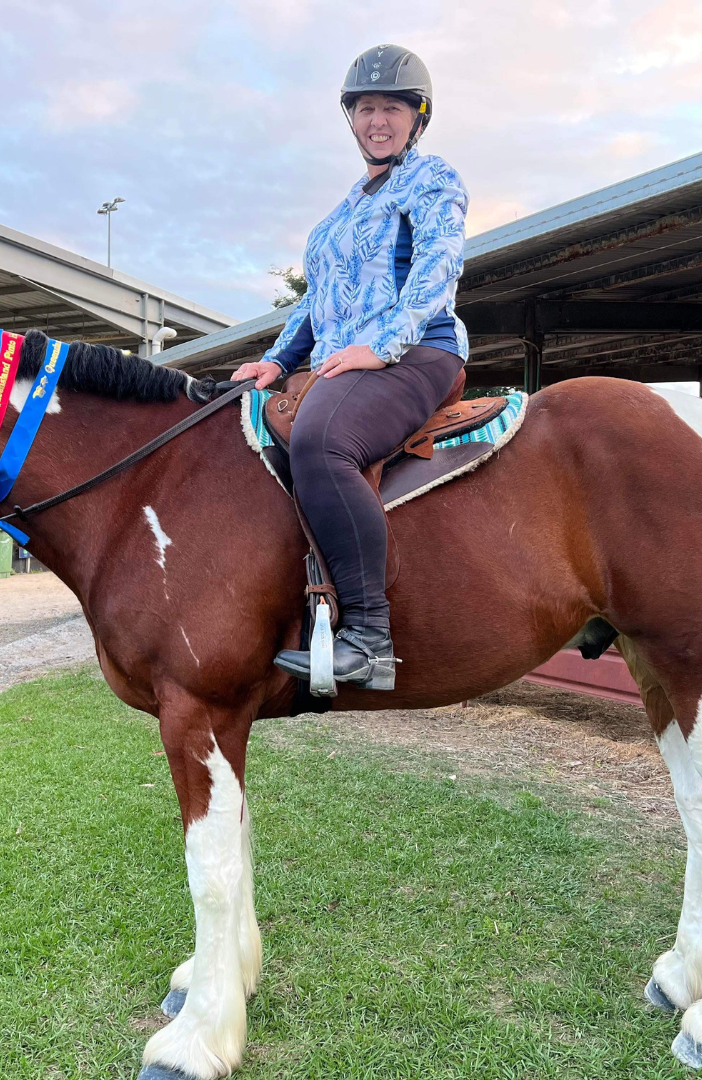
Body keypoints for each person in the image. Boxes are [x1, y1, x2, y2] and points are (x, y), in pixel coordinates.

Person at [233, 44, 469, 691]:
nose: (378, 120)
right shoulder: (337, 217)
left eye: (392, 107)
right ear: (352, 119)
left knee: (321, 440)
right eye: (366, 108)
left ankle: (367, 636)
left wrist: (386, 344)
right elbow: (316, 302)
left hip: (419, 352)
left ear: (417, 117)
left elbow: (437, 268)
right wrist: (276, 361)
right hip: (348, 363)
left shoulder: (433, 180)